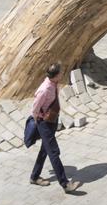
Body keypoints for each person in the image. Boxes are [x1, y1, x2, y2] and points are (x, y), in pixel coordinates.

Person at [30, 62, 81, 193]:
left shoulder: (54, 84)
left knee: (44, 150)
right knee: (53, 152)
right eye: (60, 73)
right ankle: (65, 184)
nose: (62, 74)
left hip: (52, 120)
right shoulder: (44, 89)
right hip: (44, 123)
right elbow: (34, 108)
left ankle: (34, 176)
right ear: (56, 75)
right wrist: (39, 122)